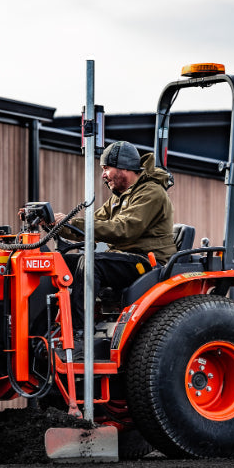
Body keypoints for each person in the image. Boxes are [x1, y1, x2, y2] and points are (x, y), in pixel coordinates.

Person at [54, 141, 176, 346]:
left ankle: (79, 333)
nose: (103, 175)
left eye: (106, 169)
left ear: (124, 167)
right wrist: (57, 225)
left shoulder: (151, 193)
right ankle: (53, 326)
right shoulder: (118, 198)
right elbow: (92, 226)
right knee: (62, 262)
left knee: (91, 263)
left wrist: (72, 221)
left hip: (145, 262)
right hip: (125, 259)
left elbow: (123, 229)